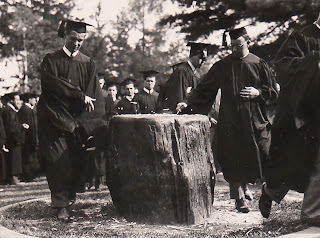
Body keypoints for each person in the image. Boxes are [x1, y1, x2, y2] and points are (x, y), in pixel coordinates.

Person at [177, 27, 278, 213]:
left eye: (238, 45)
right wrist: (187, 102)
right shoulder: (223, 65)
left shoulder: (258, 63)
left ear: (247, 41)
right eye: (231, 46)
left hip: (253, 118)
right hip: (231, 118)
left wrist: (258, 92)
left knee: (259, 153)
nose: (234, 50)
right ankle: (239, 199)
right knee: (233, 156)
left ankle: (256, 189)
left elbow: (272, 90)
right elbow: (205, 88)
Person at [38, 19, 105, 221]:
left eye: (81, 40)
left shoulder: (88, 62)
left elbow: (94, 95)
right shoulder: (51, 60)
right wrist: (79, 95)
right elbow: (53, 88)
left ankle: (70, 201)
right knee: (59, 163)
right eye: (73, 39)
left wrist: (90, 124)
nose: (76, 43)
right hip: (54, 120)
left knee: (76, 163)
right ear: (65, 36)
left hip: (78, 123)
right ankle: (61, 205)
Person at [258, 14, 320, 222]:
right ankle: (271, 192)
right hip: (302, 115)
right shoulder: (300, 37)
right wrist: (315, 62)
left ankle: (312, 215)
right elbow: (284, 69)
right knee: (294, 165)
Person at [156, 41, 209, 113]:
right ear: (192, 55)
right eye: (201, 58)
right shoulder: (182, 71)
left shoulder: (196, 74)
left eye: (205, 59)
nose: (203, 61)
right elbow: (178, 97)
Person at [2, 92, 29, 185]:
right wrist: (21, 126)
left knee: (15, 158)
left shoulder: (10, 110)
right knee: (13, 159)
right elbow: (10, 126)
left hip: (13, 138)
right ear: (11, 100)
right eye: (16, 99)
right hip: (12, 139)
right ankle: (13, 179)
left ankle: (15, 178)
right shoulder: (8, 111)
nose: (18, 102)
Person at [18, 93, 40, 182]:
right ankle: (28, 176)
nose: (35, 101)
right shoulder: (26, 110)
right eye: (34, 99)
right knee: (28, 157)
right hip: (28, 138)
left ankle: (30, 175)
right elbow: (30, 126)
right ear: (29, 99)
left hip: (30, 138)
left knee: (30, 157)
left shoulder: (28, 109)